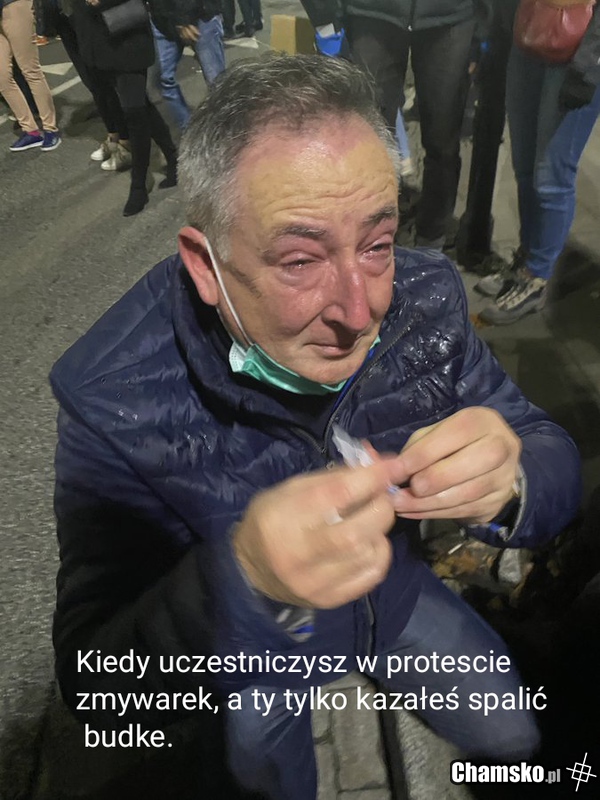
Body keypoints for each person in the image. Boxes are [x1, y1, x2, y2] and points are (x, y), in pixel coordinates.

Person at [50, 55, 581, 800]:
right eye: (300, 259)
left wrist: (513, 477)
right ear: (205, 264)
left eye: (377, 244)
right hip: (255, 657)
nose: (360, 311)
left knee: (515, 735)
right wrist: (241, 581)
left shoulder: (425, 297)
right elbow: (100, 688)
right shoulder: (112, 397)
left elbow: (551, 456)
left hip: (396, 595)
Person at [301, 0, 493, 250]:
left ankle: (431, 244)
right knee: (367, 142)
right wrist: (324, 18)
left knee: (443, 142)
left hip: (452, 17)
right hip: (371, 14)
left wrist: (484, 24)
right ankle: (371, 239)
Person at [477, 5, 600, 324]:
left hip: (579, 53)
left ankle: (536, 277)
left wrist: (589, 65)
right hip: (529, 38)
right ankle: (526, 260)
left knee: (551, 177)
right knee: (525, 166)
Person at [71, 0, 178, 215]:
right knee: (140, 105)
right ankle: (173, 159)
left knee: (134, 111)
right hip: (97, 38)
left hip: (127, 35)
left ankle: (139, 184)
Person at [149, 0, 225, 131]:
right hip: (163, 21)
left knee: (217, 82)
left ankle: (226, 130)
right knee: (164, 79)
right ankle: (189, 130)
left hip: (200, 16)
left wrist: (183, 19)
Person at [0, 0, 60, 151]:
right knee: (2, 78)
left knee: (30, 70)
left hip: (13, 5)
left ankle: (50, 128)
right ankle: (30, 130)